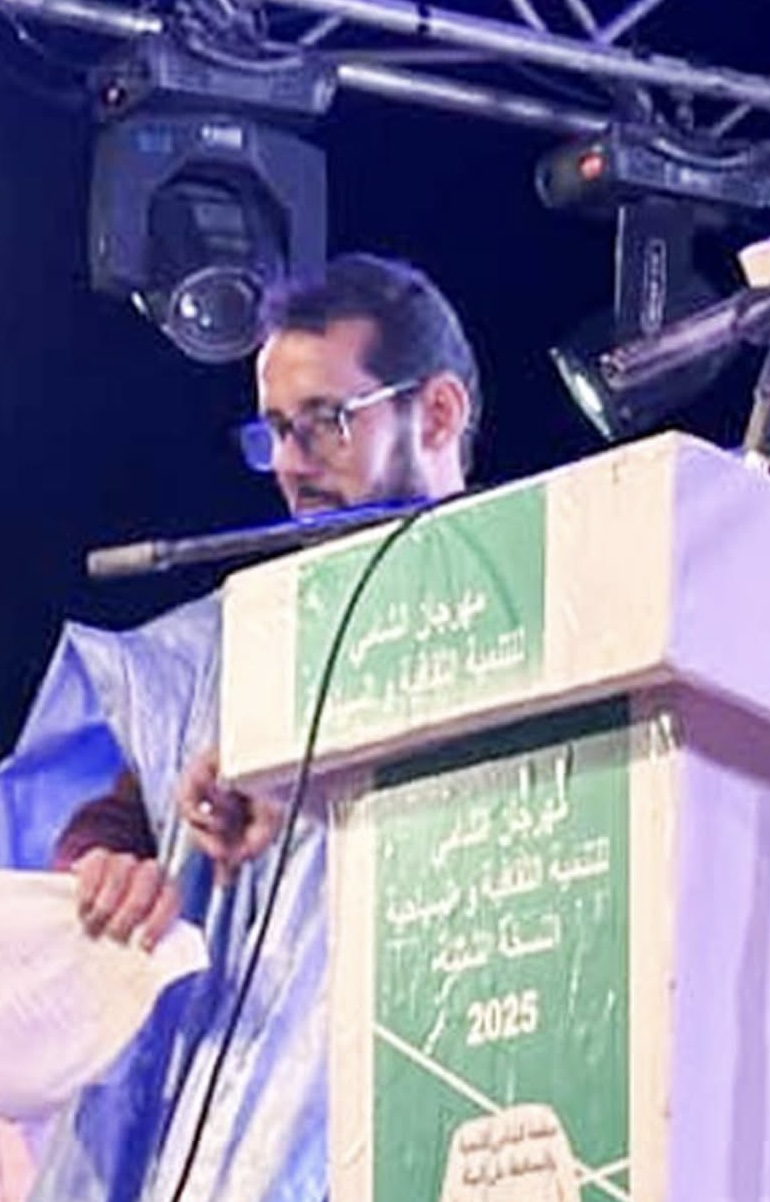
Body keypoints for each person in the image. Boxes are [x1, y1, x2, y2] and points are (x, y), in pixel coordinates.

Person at [5, 252, 479, 1201]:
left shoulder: (532, 597)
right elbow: (123, 811)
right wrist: (107, 865)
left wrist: (323, 771)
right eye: (274, 432)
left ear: (436, 413)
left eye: (325, 423)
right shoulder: (243, 634)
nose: (292, 466)